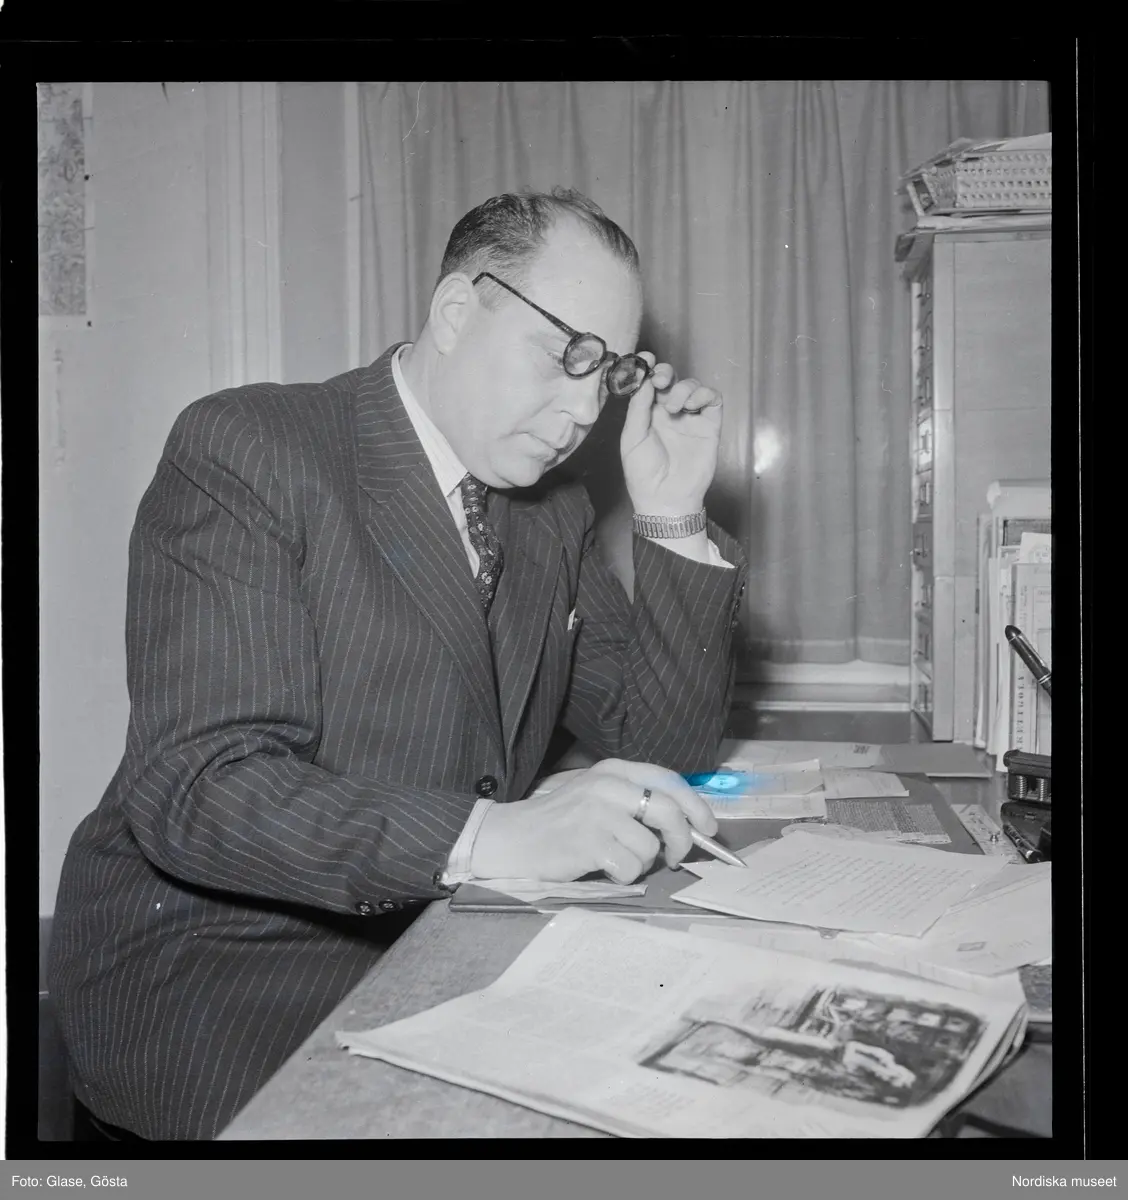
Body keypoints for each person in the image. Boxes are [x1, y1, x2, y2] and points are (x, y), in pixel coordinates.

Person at [49, 187, 748, 1140]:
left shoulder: (552, 512)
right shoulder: (252, 447)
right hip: (225, 977)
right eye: (566, 355)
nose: (585, 410)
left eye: (610, 374)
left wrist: (671, 512)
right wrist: (495, 834)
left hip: (443, 944)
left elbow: (658, 748)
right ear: (456, 310)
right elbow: (201, 789)